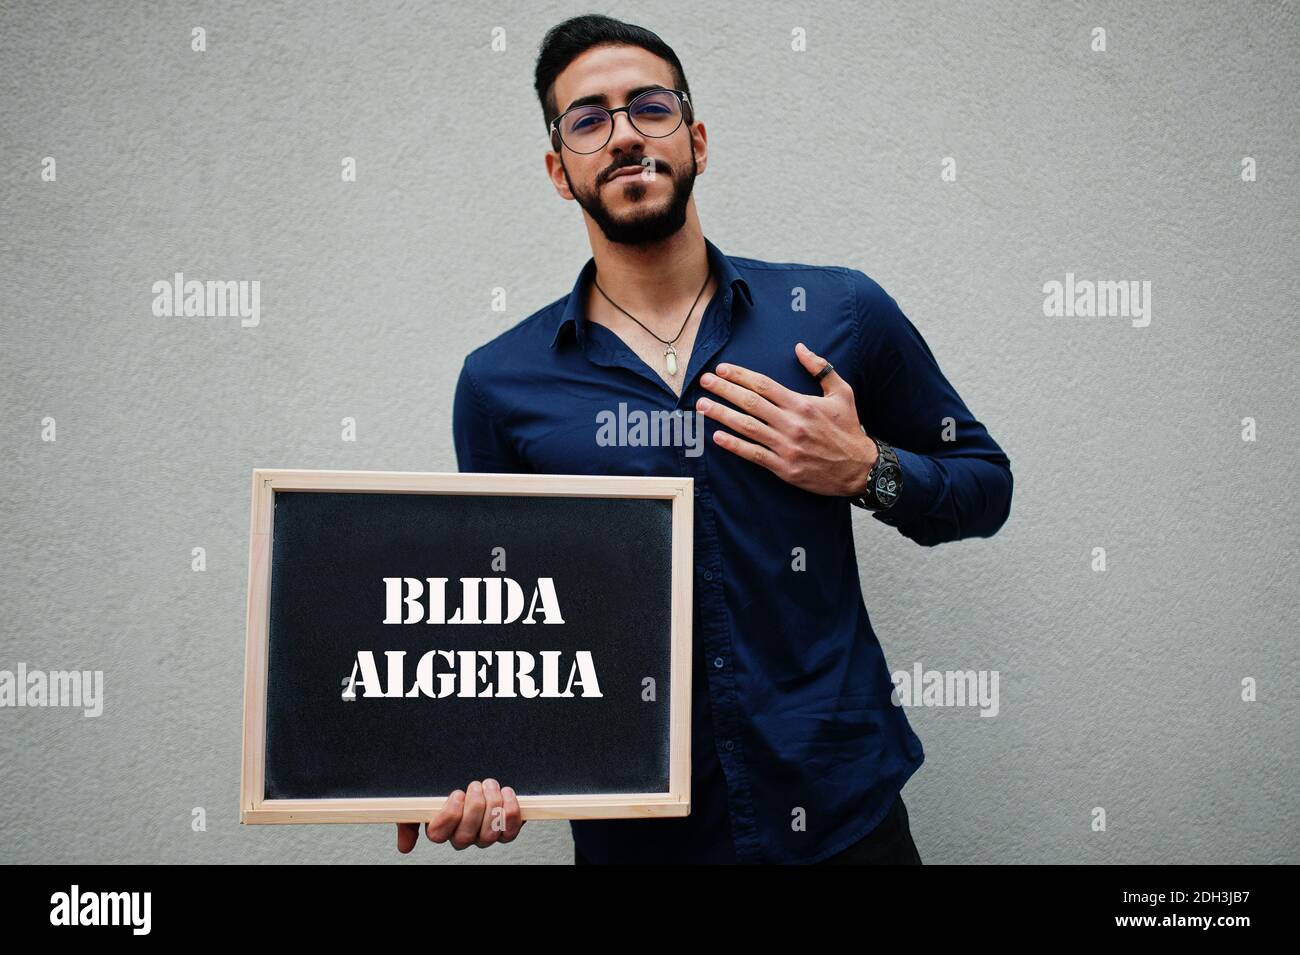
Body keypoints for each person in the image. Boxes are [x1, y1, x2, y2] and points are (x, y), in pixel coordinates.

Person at [397, 13, 1013, 864]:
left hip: (845, 827)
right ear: (558, 171)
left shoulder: (838, 312)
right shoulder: (500, 386)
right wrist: (479, 771)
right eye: (588, 119)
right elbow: (504, 633)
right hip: (640, 844)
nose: (623, 135)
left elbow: (986, 485)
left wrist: (866, 470)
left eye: (649, 107)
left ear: (696, 139)